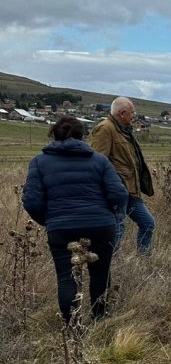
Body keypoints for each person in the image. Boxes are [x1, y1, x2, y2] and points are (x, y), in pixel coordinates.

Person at [22, 116, 129, 323]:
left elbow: (32, 201)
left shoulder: (39, 162)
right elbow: (119, 195)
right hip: (100, 225)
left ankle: (72, 327)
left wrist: (50, 220)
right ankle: (100, 319)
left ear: (54, 134)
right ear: (82, 136)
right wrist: (111, 215)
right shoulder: (100, 160)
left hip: (61, 228)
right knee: (100, 275)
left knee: (66, 277)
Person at [90, 96, 156, 254]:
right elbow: (97, 162)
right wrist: (111, 185)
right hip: (117, 190)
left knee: (148, 223)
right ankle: (112, 266)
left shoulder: (124, 130)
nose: (134, 116)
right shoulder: (105, 128)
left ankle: (144, 259)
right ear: (122, 113)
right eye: (132, 113)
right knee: (117, 229)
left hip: (131, 190)